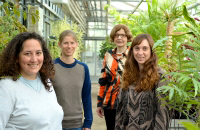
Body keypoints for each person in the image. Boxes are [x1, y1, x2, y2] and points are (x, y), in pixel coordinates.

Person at [0, 32, 64, 130]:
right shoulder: (6, 87)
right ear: (16, 57)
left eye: (38, 53)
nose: (34, 59)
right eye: (27, 53)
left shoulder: (45, 82)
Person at [115, 34, 171, 130]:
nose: (140, 53)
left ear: (151, 51)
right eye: (137, 48)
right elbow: (120, 110)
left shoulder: (160, 76)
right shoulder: (128, 74)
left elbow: (163, 114)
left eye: (145, 48)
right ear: (132, 51)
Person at [52, 30, 93, 130]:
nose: (69, 46)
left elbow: (86, 96)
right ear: (59, 44)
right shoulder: (51, 67)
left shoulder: (83, 68)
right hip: (55, 123)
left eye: (72, 43)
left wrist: (88, 122)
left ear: (77, 44)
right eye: (65, 43)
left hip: (76, 124)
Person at [96, 24, 133, 130]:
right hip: (110, 103)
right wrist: (99, 103)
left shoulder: (133, 55)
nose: (119, 38)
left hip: (128, 102)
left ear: (127, 37)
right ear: (113, 37)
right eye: (117, 35)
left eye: (123, 35)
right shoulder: (108, 55)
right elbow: (103, 80)